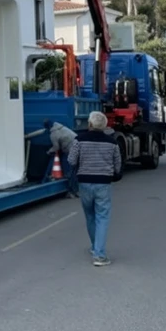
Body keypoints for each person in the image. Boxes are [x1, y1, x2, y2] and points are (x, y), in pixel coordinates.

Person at [67, 111, 121, 267]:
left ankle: (94, 247)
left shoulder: (79, 140)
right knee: (102, 217)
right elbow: (117, 165)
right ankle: (100, 255)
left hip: (84, 183)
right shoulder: (112, 142)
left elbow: (71, 160)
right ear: (105, 126)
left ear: (89, 124)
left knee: (90, 216)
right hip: (103, 183)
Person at [48, 122, 78, 197]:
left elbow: (56, 147)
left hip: (71, 150)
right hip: (78, 147)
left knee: (70, 171)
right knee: (74, 170)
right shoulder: (63, 128)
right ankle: (76, 190)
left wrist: (49, 151)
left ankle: (72, 191)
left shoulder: (54, 134)